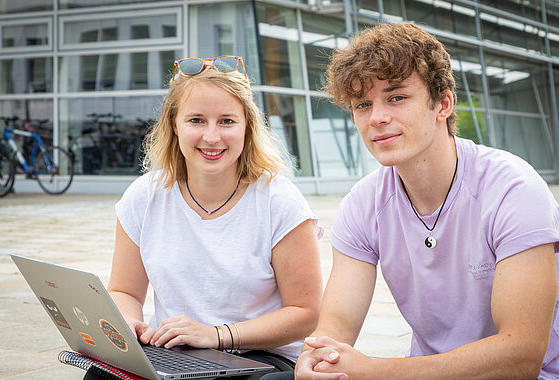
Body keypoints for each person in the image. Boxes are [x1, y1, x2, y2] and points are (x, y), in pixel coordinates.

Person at [292, 23, 559, 379]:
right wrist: (315, 362)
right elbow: (334, 330)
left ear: (443, 104)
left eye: (396, 97)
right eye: (362, 105)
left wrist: (376, 371)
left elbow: (520, 356)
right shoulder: (363, 203)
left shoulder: (513, 189)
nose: (377, 118)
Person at [86, 55, 324, 378]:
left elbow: (305, 313)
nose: (212, 137)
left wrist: (216, 335)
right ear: (174, 124)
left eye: (226, 121)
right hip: (175, 355)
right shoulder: (144, 197)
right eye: (196, 120)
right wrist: (129, 325)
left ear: (247, 126)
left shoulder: (280, 202)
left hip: (260, 359)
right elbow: (125, 291)